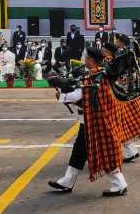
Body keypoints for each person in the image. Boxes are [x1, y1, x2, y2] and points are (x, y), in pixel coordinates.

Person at [47, 47, 128, 196]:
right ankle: (67, 181)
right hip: (93, 120)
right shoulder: (101, 73)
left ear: (91, 60)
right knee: (79, 151)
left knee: (104, 152)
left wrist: (62, 95)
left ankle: (119, 184)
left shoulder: (96, 76)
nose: (84, 59)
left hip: (96, 122)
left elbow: (79, 95)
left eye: (86, 57)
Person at [103, 40, 140, 164]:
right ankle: (131, 151)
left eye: (104, 50)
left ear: (108, 51)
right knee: (121, 126)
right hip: (123, 98)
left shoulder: (111, 62)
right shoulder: (121, 60)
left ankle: (124, 153)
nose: (102, 52)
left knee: (118, 126)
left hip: (116, 99)